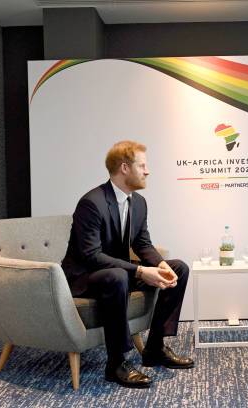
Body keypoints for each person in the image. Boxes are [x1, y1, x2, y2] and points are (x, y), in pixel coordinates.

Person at [61, 140, 193, 389]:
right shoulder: (92, 203)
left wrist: (161, 266)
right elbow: (91, 255)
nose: (147, 171)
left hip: (117, 270)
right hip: (85, 276)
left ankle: (155, 348)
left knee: (178, 268)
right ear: (124, 168)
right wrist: (142, 270)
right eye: (142, 165)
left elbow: (143, 243)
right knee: (117, 276)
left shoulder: (139, 202)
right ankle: (116, 363)